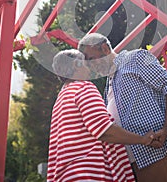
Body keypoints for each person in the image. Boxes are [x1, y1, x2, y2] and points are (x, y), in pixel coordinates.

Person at [78, 33, 167, 182]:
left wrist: (166, 130)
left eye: (91, 59)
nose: (91, 66)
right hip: (133, 164)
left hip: (157, 151)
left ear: (104, 48)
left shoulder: (135, 58)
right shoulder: (108, 86)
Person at [47, 49, 156, 182]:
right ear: (77, 65)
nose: (89, 68)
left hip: (69, 175)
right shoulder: (83, 88)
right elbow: (105, 130)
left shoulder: (61, 99)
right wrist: (143, 140)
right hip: (90, 174)